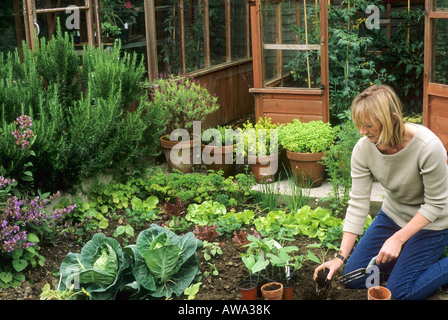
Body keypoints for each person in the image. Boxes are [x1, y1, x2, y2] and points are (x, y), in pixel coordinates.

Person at [314, 84, 448, 300]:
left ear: (392, 119)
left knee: (395, 295)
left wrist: (399, 238)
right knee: (354, 277)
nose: (361, 132)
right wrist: (340, 256)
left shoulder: (428, 147)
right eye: (359, 124)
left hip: (432, 224)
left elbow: (435, 204)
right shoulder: (363, 149)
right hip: (393, 216)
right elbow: (358, 202)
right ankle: (407, 260)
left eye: (368, 125)